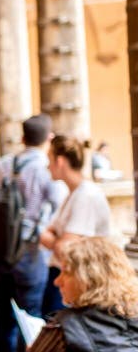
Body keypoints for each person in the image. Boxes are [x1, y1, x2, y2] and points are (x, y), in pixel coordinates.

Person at [0, 114, 64, 352]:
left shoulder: (3, 165)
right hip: (30, 255)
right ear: (48, 139)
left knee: (3, 320)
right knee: (29, 319)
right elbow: (60, 207)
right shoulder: (44, 170)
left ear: (22, 137)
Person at [40, 135, 110, 315]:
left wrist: (54, 239)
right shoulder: (73, 194)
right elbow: (46, 233)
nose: (48, 166)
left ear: (60, 161)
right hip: (64, 274)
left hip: (77, 280)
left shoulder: (86, 195)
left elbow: (65, 247)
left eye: (49, 160)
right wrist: (55, 239)